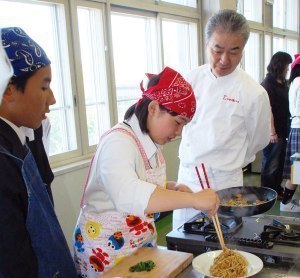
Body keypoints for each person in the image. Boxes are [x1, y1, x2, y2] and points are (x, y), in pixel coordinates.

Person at [74, 66, 220, 276]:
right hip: (105, 251)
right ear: (153, 108)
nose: (178, 132)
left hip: (137, 247)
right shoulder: (118, 142)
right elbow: (128, 193)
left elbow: (144, 183)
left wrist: (173, 188)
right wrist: (194, 200)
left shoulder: (150, 142)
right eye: (177, 123)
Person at [174, 9, 271, 228]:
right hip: (188, 177)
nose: (224, 59)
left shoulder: (253, 92)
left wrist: (230, 161)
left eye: (234, 51)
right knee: (183, 241)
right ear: (207, 43)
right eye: (217, 50)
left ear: (243, 50)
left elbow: (258, 140)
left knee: (223, 248)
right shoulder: (190, 80)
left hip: (225, 182)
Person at [0, 27, 77, 277]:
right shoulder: (4, 161)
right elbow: (13, 261)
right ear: (8, 89)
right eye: (44, 87)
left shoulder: (23, 136)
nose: (53, 99)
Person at [260, 52, 292, 198]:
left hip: (283, 128)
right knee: (271, 163)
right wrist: (272, 131)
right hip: (273, 130)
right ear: (279, 65)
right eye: (286, 65)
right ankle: (267, 192)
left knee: (279, 163)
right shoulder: (267, 84)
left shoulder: (282, 82)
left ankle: (276, 189)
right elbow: (268, 110)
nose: (288, 69)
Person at [281, 54, 300, 212]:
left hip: (296, 127)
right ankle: (286, 203)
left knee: (297, 169)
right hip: (299, 128)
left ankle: (287, 202)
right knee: (297, 169)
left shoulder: (294, 81)